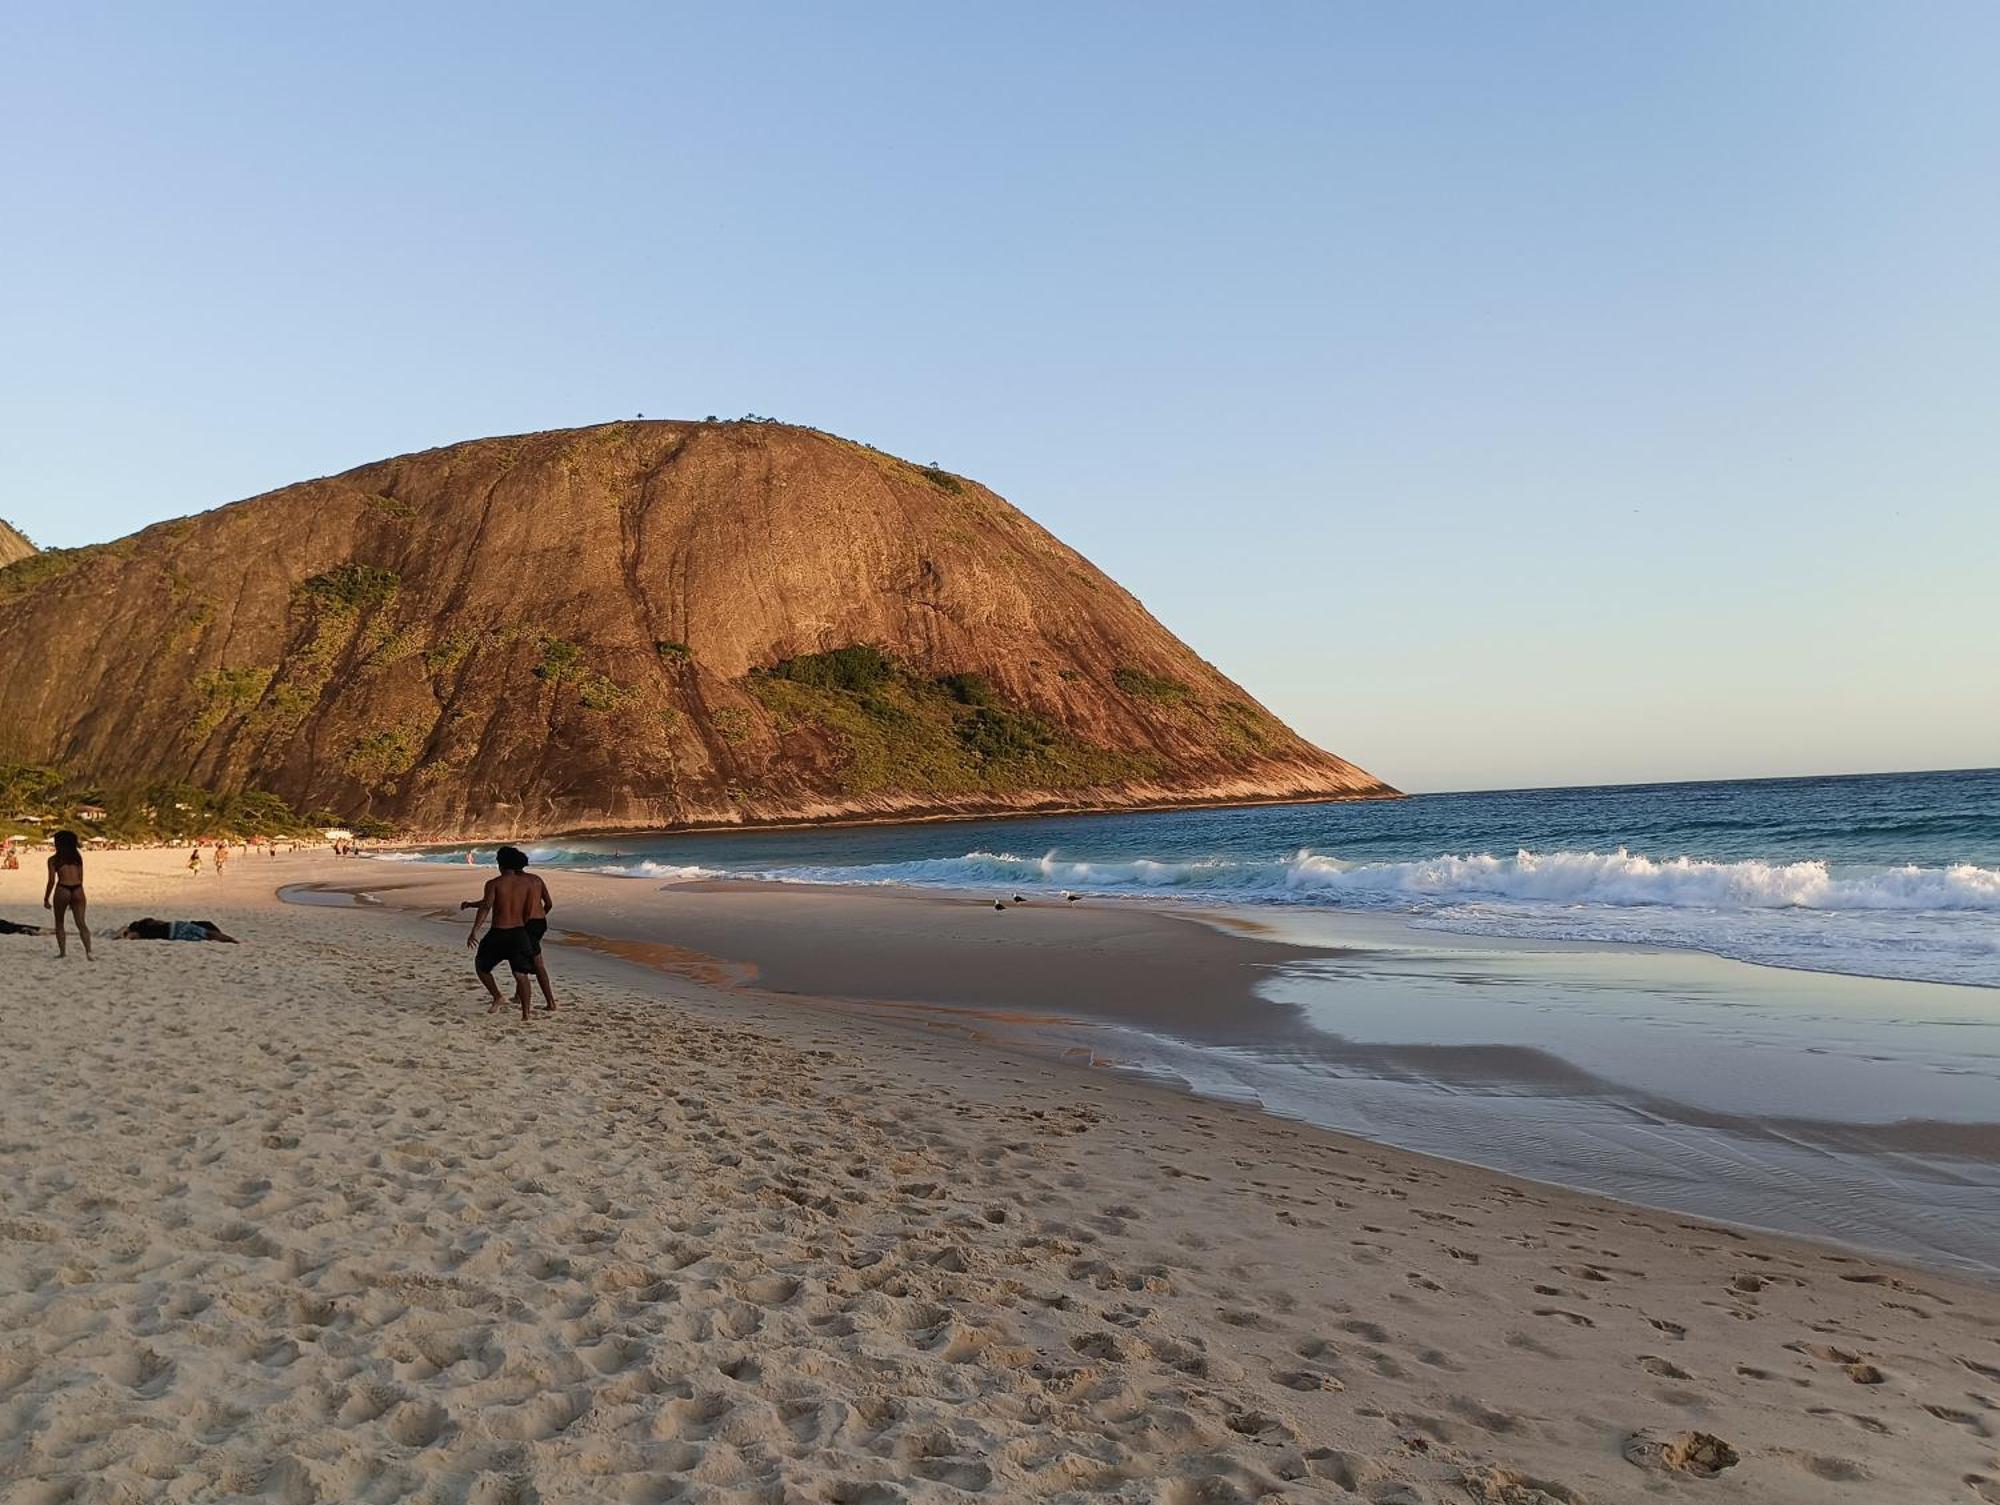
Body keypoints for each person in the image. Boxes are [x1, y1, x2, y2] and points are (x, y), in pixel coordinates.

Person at [465, 845, 540, 1020]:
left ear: (500, 864)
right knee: (521, 974)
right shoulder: (527, 884)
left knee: (481, 966)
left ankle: (497, 996)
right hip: (519, 932)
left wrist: (474, 930)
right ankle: (526, 1014)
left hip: (498, 933)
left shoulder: (493, 884)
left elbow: (485, 908)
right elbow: (529, 911)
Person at [43, 830, 92, 960]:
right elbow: (81, 877)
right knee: (81, 923)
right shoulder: (77, 858)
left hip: (63, 889)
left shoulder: (53, 860)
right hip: (77, 889)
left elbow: (51, 881)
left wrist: (46, 898)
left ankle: (63, 952)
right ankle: (89, 951)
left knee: (59, 923)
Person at [116, 917, 240, 942]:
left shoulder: (140, 933)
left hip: (173, 934)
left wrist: (124, 933)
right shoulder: (149, 923)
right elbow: (162, 922)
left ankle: (228, 939)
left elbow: (123, 936)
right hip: (175, 926)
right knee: (205, 934)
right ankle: (230, 939)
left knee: (203, 936)